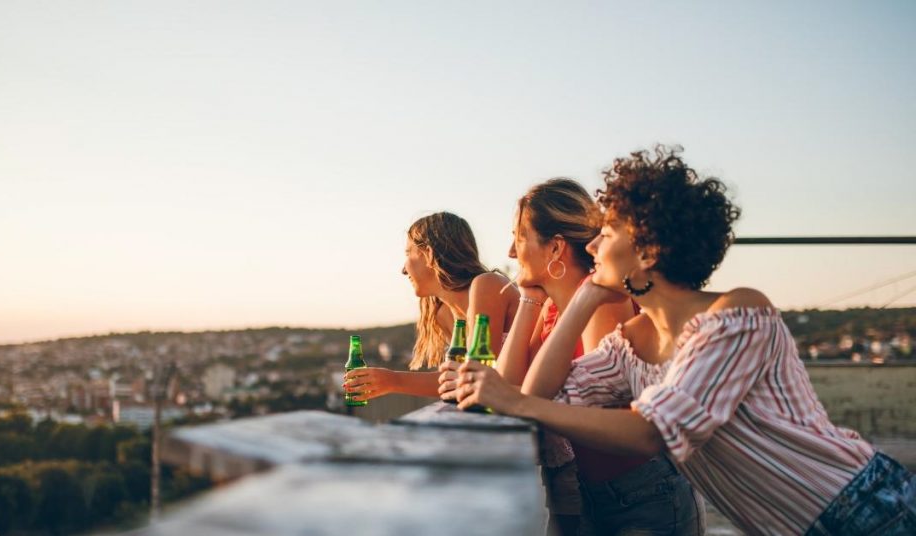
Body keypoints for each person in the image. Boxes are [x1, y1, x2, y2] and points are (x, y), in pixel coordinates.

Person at [452, 146, 915, 535]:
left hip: (867, 509)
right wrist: (583, 299)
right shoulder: (630, 342)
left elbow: (653, 432)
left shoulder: (738, 313)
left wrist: (515, 402)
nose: (592, 245)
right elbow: (543, 394)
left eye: (607, 232)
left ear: (648, 249)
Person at [440, 178, 700, 535]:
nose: (511, 253)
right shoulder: (552, 309)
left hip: (644, 497)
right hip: (597, 494)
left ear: (555, 249)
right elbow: (511, 384)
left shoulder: (605, 306)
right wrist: (529, 298)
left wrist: (513, 398)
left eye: (519, 237)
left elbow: (545, 403)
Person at [344, 212, 519, 402]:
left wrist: (394, 379)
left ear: (428, 253)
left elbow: (477, 377)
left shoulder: (488, 285)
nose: (403, 269)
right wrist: (390, 381)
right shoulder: (445, 313)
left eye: (408, 253)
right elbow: (455, 382)